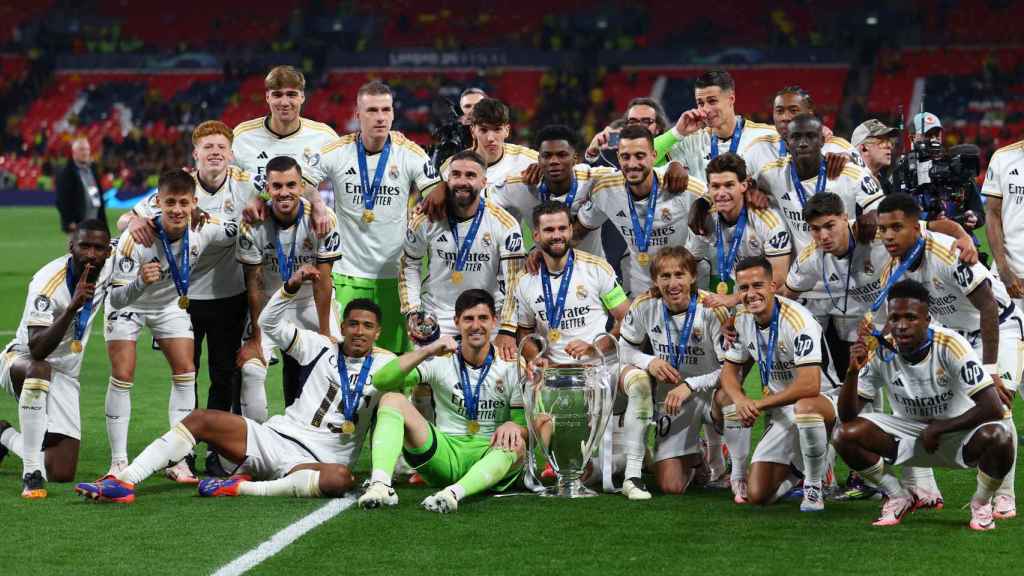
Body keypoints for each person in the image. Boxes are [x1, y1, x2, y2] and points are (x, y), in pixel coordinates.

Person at [74, 266, 395, 502]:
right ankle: (125, 481)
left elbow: (399, 414)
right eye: (353, 324)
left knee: (340, 479)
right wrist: (289, 288)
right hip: (274, 437)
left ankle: (239, 487)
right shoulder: (320, 346)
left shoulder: (389, 365)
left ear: (377, 332)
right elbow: (268, 324)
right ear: (343, 326)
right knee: (200, 419)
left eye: (367, 326)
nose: (359, 331)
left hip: (320, 461)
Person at [118, 122, 257, 477]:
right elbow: (126, 218)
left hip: (230, 295)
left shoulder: (245, 185)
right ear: (195, 154)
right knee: (185, 376)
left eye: (221, 147)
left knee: (224, 376)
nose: (215, 153)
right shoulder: (181, 188)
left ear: (230, 153)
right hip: (184, 298)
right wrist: (133, 222)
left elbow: (281, 194)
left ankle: (219, 448)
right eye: (207, 147)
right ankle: (183, 451)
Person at [875, 192, 1021, 516]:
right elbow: (891, 322)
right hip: (955, 336)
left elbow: (987, 308)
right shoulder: (892, 273)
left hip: (999, 326)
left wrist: (991, 370)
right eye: (883, 229)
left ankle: (1005, 496)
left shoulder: (948, 253)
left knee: (1001, 406)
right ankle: (920, 487)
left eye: (896, 227)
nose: (887, 236)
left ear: (917, 228)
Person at [835, 279, 1014, 530]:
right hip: (908, 432)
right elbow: (847, 415)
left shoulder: (950, 344)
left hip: (957, 433)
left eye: (911, 317)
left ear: (928, 319)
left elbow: (992, 407)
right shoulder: (882, 350)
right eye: (895, 318)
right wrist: (852, 372)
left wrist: (940, 428)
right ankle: (897, 495)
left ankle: (981, 503)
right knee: (845, 435)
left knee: (1000, 436)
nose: (902, 326)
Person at [104, 170, 239, 482]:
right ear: (157, 203)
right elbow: (118, 297)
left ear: (194, 202)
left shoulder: (204, 226)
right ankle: (118, 462)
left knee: (185, 373)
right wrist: (139, 282)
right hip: (130, 303)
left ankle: (177, 460)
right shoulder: (135, 239)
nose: (177, 210)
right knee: (123, 374)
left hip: (169, 304)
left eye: (183, 203)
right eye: (170, 203)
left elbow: (239, 231)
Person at [302, 80, 442, 354]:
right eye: (372, 110)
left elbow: (437, 194)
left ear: (393, 113)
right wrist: (317, 202)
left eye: (386, 110)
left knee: (393, 360)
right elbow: (303, 180)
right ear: (357, 115)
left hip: (394, 277)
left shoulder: (409, 152)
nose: (380, 117)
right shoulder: (337, 150)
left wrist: (425, 206)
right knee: (344, 357)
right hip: (346, 275)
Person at [358, 289, 527, 513]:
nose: (476, 326)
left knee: (517, 443)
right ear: (457, 322)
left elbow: (525, 427)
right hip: (444, 455)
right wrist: (427, 350)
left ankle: (452, 494)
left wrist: (514, 425)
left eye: (483, 318)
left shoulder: (510, 364)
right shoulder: (441, 359)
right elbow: (382, 380)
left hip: (491, 454)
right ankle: (380, 485)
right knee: (392, 399)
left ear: (494, 322)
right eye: (468, 319)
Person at [0, 219, 111, 498]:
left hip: (65, 374)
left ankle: (2, 434)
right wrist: (72, 308)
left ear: (108, 252)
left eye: (99, 248)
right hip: (22, 360)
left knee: (61, 472)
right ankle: (31, 472)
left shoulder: (109, 266)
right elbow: (37, 349)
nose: (91, 254)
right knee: (40, 367)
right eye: (84, 246)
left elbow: (136, 234)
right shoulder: (47, 283)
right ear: (71, 246)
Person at [618, 247, 740, 500]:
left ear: (692, 277)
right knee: (670, 486)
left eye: (679, 275)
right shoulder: (644, 305)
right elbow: (624, 350)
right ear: (655, 280)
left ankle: (737, 472)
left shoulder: (712, 309)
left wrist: (691, 385)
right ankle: (695, 457)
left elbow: (729, 370)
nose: (672, 283)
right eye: (665, 276)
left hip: (710, 393)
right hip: (673, 401)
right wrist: (649, 361)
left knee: (730, 399)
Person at [720, 256, 838, 512]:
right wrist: (741, 401)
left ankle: (814, 485)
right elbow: (728, 374)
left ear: (773, 286)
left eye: (758, 285)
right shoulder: (741, 320)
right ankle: (802, 470)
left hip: (824, 403)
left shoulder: (798, 321)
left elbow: (810, 385)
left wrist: (758, 405)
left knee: (805, 407)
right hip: (782, 410)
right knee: (758, 495)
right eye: (744, 288)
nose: (751, 294)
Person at [236, 156, 342, 418]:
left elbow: (323, 282)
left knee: (332, 364)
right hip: (271, 303)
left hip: (310, 302)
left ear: (301, 186)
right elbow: (254, 284)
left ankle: (318, 436)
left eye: (291, 185)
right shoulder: (252, 224)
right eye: (277, 186)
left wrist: (325, 334)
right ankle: (256, 447)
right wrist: (257, 337)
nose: (284, 192)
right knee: (252, 367)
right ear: (267, 189)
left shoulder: (322, 218)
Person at [400, 150, 525, 348]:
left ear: (484, 182)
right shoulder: (426, 218)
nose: (462, 181)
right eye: (456, 174)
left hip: (488, 317)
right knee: (430, 377)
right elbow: (409, 264)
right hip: (438, 317)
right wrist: (413, 310)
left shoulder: (504, 223)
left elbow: (515, 281)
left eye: (470, 175)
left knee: (498, 377)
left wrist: (508, 329)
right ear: (447, 179)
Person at [575, 124, 705, 295]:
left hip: (684, 284)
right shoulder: (606, 190)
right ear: (618, 157)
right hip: (640, 288)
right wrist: (543, 253)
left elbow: (719, 206)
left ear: (654, 156)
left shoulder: (683, 187)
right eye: (625, 157)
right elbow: (578, 231)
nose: (632, 164)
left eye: (640, 156)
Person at [512, 202, 630, 366]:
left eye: (562, 228)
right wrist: (535, 358)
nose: (557, 235)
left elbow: (626, 319)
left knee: (639, 384)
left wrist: (594, 348)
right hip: (552, 370)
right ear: (536, 236)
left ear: (571, 230)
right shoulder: (525, 280)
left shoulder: (597, 269)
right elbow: (524, 331)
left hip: (597, 366)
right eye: (549, 230)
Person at [686, 153, 791, 302]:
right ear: (708, 188)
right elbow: (691, 258)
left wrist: (732, 299)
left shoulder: (767, 221)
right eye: (715, 186)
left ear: (744, 185)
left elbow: (777, 279)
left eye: (729, 185)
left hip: (775, 298)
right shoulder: (705, 218)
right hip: (741, 290)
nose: (721, 193)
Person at [491, 124, 609, 257]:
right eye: (547, 156)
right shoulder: (519, 184)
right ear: (538, 160)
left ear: (575, 159)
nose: (554, 161)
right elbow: (482, 204)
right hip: (542, 270)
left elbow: (626, 179)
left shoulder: (595, 180)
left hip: (592, 273)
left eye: (562, 155)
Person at [232, 65, 338, 200]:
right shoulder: (242, 136)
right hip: (253, 220)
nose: (284, 102)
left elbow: (347, 180)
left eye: (291, 94)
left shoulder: (325, 137)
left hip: (304, 220)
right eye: (277, 95)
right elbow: (225, 185)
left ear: (302, 97)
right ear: (267, 97)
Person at [653, 69, 777, 183]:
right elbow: (643, 159)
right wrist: (677, 132)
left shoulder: (766, 136)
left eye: (712, 101)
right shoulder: (692, 141)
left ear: (731, 99)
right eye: (700, 103)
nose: (706, 109)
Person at [982, 137, 1024, 311]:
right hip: (1008, 275)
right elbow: (992, 214)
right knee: (1005, 337)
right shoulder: (1003, 157)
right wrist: (1003, 268)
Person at [584, 97, 670, 166]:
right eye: (633, 121)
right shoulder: (610, 152)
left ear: (658, 128)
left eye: (646, 121)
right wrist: (592, 152)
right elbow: (582, 181)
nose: (638, 126)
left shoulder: (671, 153)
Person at [55, 138, 106, 234]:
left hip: (95, 223)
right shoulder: (67, 172)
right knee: (78, 248)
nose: (85, 152)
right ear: (74, 152)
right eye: (82, 149)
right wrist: (69, 221)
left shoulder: (92, 170)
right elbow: (61, 200)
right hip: (77, 225)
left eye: (87, 149)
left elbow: (95, 194)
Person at [851, 119, 899, 194]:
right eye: (882, 141)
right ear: (864, 148)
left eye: (889, 141)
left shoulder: (886, 184)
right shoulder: (848, 183)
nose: (889, 146)